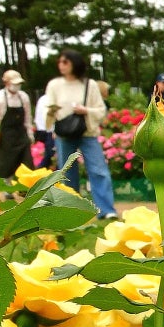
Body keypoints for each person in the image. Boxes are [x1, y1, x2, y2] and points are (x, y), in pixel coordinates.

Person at [41, 48, 116, 218]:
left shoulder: (89, 85)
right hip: (64, 134)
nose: (61, 65)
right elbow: (50, 108)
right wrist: (53, 125)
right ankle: (70, 210)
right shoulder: (54, 85)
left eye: (65, 62)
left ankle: (106, 210)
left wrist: (85, 110)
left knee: (98, 170)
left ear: (74, 63)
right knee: (66, 172)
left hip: (87, 133)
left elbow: (100, 109)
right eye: (59, 62)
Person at [0, 70, 33, 179]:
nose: (17, 86)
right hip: (7, 135)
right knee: (6, 163)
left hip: (21, 134)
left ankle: (25, 188)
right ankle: (7, 188)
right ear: (6, 83)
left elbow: (27, 117)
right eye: (14, 84)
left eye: (19, 84)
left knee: (26, 162)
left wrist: (30, 134)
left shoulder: (24, 97)